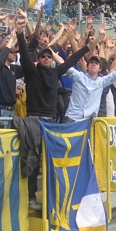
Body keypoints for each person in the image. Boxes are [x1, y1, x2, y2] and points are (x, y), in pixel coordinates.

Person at [15, 19, 98, 210]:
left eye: (48, 57)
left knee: (52, 162)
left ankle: (52, 196)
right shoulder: (31, 72)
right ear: (39, 59)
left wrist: (88, 44)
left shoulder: (55, 74)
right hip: (35, 121)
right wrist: (20, 33)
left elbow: (73, 58)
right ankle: (30, 198)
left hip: (52, 123)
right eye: (43, 56)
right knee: (34, 163)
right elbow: (25, 56)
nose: (46, 58)